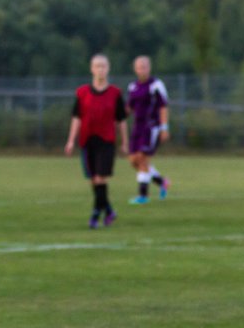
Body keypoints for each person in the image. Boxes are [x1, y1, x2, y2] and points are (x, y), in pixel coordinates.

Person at [65, 54, 128, 229]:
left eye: (104, 66)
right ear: (92, 69)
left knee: (101, 177)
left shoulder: (115, 93)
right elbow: (77, 117)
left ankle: (95, 214)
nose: (100, 69)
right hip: (87, 140)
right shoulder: (82, 92)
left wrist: (124, 142)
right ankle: (108, 210)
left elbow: (121, 120)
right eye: (97, 66)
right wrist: (71, 140)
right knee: (93, 179)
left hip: (106, 140)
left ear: (108, 69)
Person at [125, 55, 172, 204]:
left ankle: (143, 196)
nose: (142, 69)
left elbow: (163, 106)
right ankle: (161, 182)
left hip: (151, 127)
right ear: (135, 69)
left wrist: (164, 127)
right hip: (137, 127)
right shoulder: (133, 87)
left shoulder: (156, 84)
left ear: (149, 68)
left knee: (143, 158)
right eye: (139, 67)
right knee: (133, 160)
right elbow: (129, 108)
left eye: (144, 66)